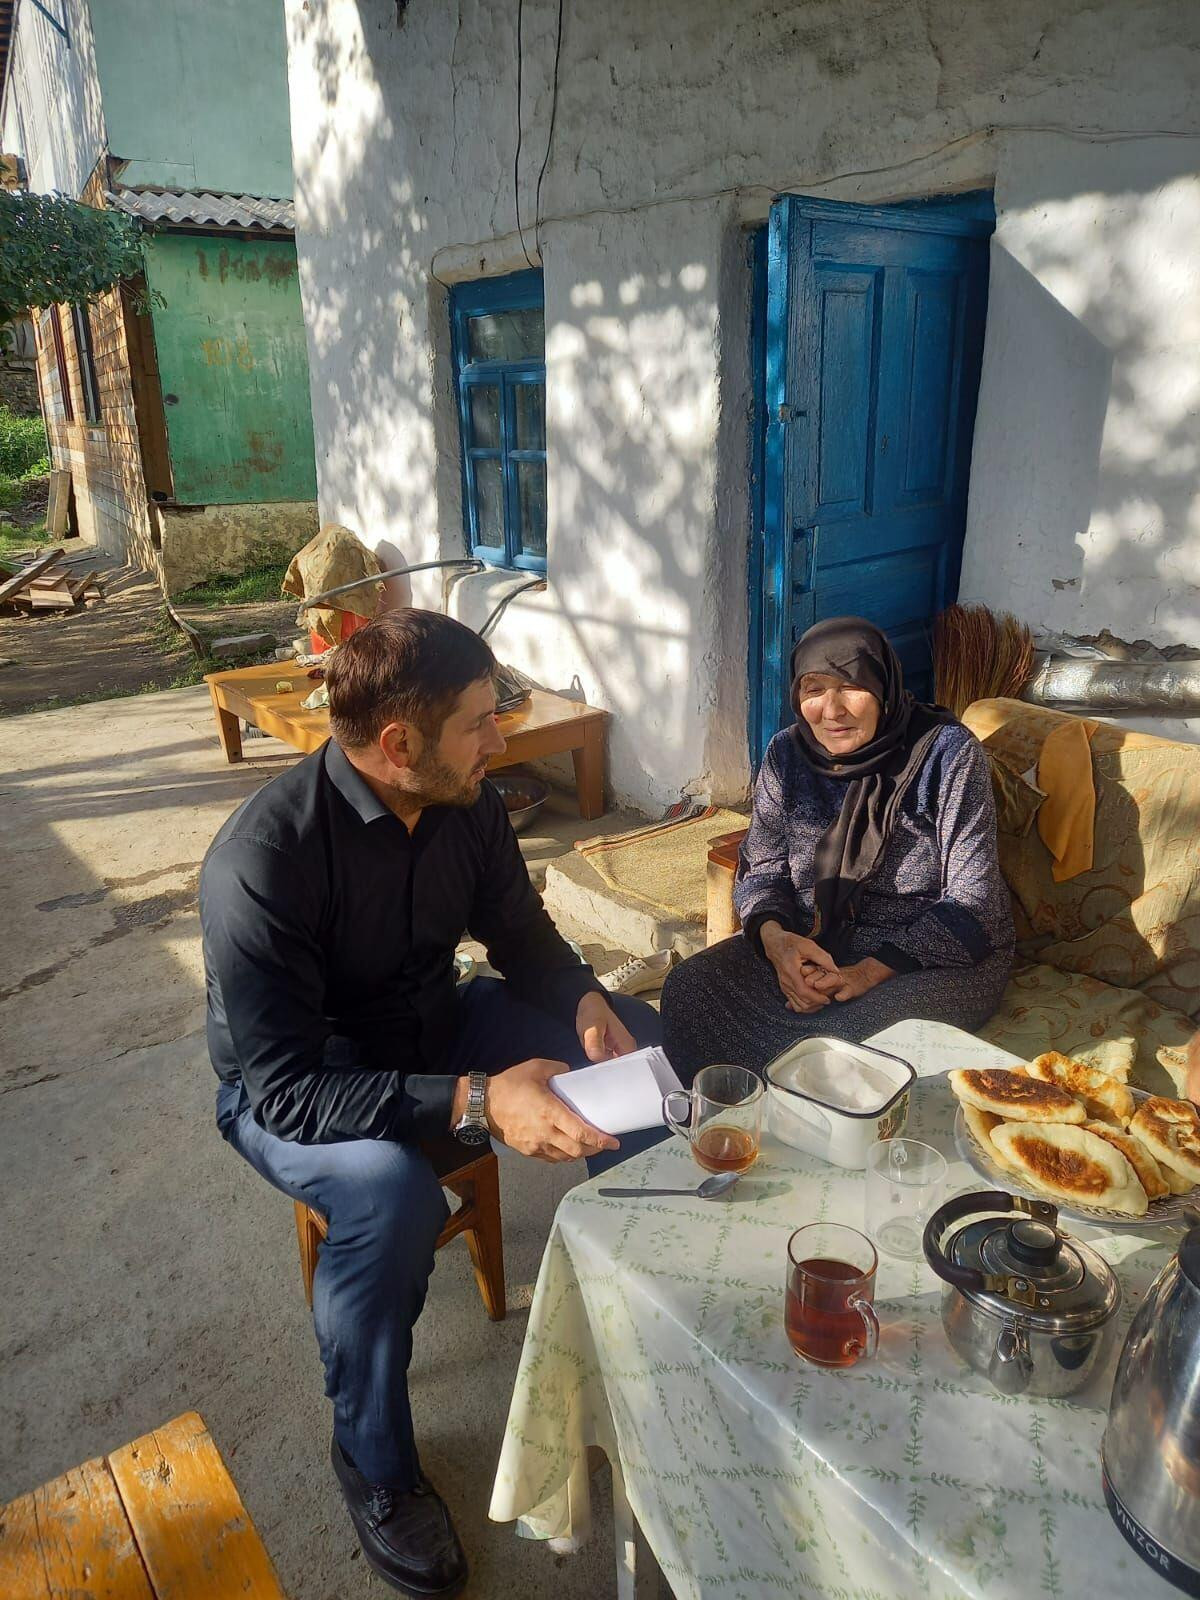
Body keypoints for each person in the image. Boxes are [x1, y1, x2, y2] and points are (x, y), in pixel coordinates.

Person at [200, 610, 660, 1598]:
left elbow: (522, 937)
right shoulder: (263, 863)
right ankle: (370, 1459)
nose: (500, 737)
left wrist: (581, 1000)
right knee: (389, 1196)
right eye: (479, 721)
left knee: (638, 1047)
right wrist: (482, 1099)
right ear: (398, 745)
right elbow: (284, 1086)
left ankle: (649, 1329)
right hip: (298, 1086)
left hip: (431, 1023)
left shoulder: (470, 804)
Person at [661, 616, 1014, 1079]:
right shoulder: (787, 754)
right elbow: (763, 868)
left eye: (850, 686)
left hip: (928, 955)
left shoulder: (947, 754)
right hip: (816, 936)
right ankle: (729, 1126)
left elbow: (974, 901)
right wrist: (777, 942)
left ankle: (801, 1140)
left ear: (883, 688)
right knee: (691, 989)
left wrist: (866, 971)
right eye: (813, 689)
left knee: (836, 1053)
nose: (832, 710)